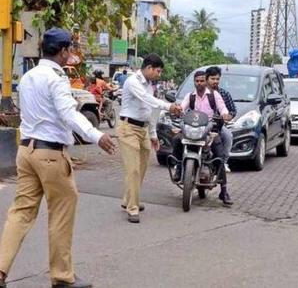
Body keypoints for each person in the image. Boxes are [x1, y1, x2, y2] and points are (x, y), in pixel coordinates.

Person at [0, 28, 115, 288]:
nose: (70, 55)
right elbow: (68, 114)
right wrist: (97, 136)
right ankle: (62, 277)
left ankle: (0, 271)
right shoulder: (56, 77)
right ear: (62, 51)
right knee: (62, 212)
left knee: (20, 213)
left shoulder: (28, 76)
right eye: (69, 50)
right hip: (51, 155)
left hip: (26, 152)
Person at [118, 53, 182, 223]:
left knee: (142, 167)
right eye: (158, 71)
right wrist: (169, 106)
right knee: (133, 169)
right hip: (128, 128)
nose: (159, 75)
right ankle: (132, 208)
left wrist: (153, 134)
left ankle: (128, 199)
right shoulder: (133, 82)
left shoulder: (149, 85)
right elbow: (148, 100)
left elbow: (151, 110)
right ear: (148, 68)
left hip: (143, 129)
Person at [172, 71, 234, 206]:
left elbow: (223, 108)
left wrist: (225, 115)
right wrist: (177, 111)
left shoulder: (214, 95)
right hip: (192, 129)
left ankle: (224, 191)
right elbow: (182, 108)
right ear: (194, 82)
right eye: (197, 81)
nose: (199, 83)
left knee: (219, 156)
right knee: (177, 140)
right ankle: (178, 167)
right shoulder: (190, 96)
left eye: (201, 81)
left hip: (209, 130)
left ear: (205, 81)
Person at [205, 66, 236, 172]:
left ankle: (224, 162)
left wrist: (228, 116)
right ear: (206, 79)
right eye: (213, 79)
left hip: (217, 127)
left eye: (217, 79)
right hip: (200, 126)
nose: (215, 81)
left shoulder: (224, 94)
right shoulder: (198, 94)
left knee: (228, 136)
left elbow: (232, 110)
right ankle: (180, 164)